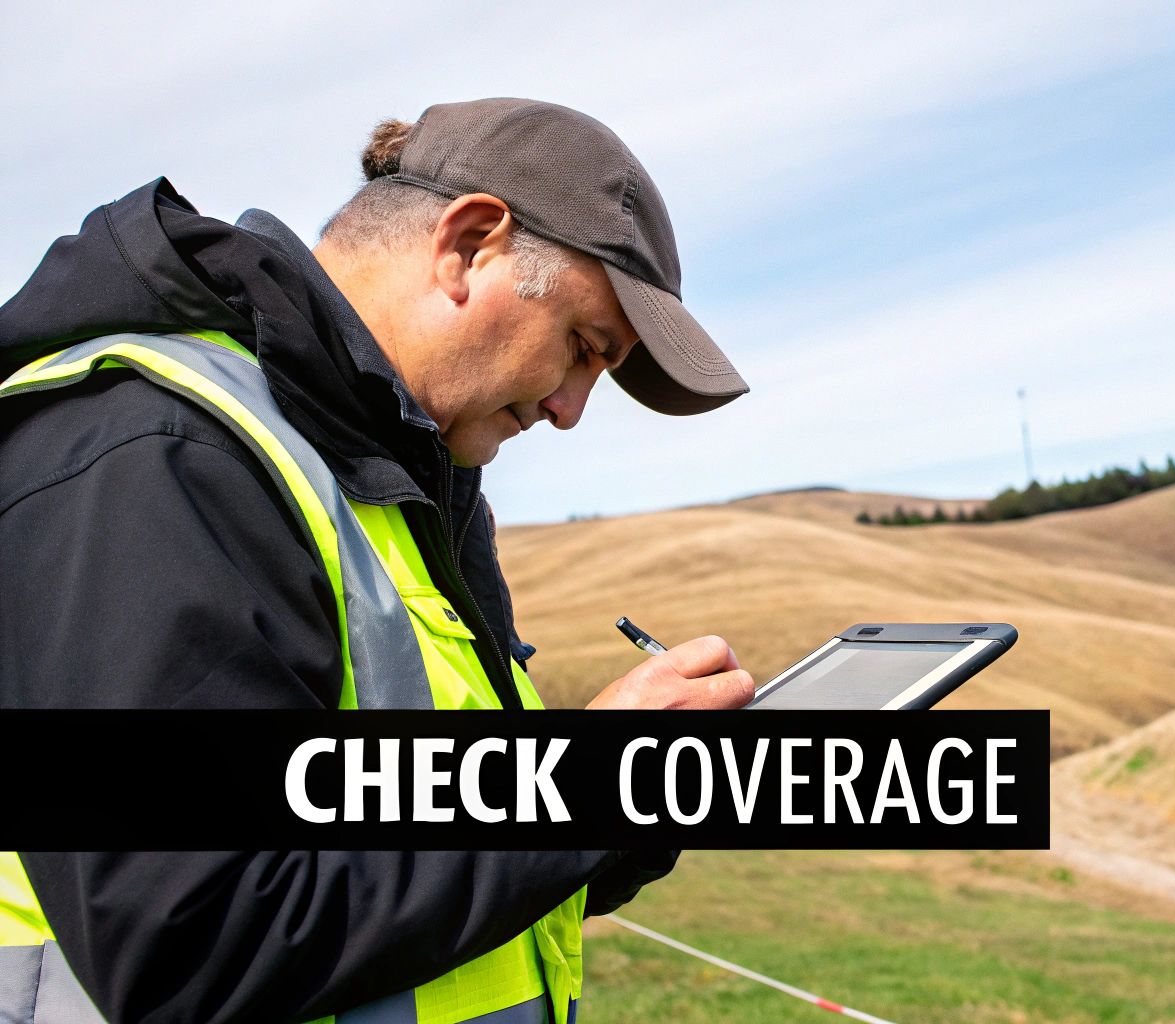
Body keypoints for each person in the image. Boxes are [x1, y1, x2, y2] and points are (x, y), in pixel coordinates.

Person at [0, 98, 753, 1023]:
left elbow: (428, 850)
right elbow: (197, 936)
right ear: (469, 245)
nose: (570, 411)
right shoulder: (156, 453)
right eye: (582, 349)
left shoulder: (393, 491)